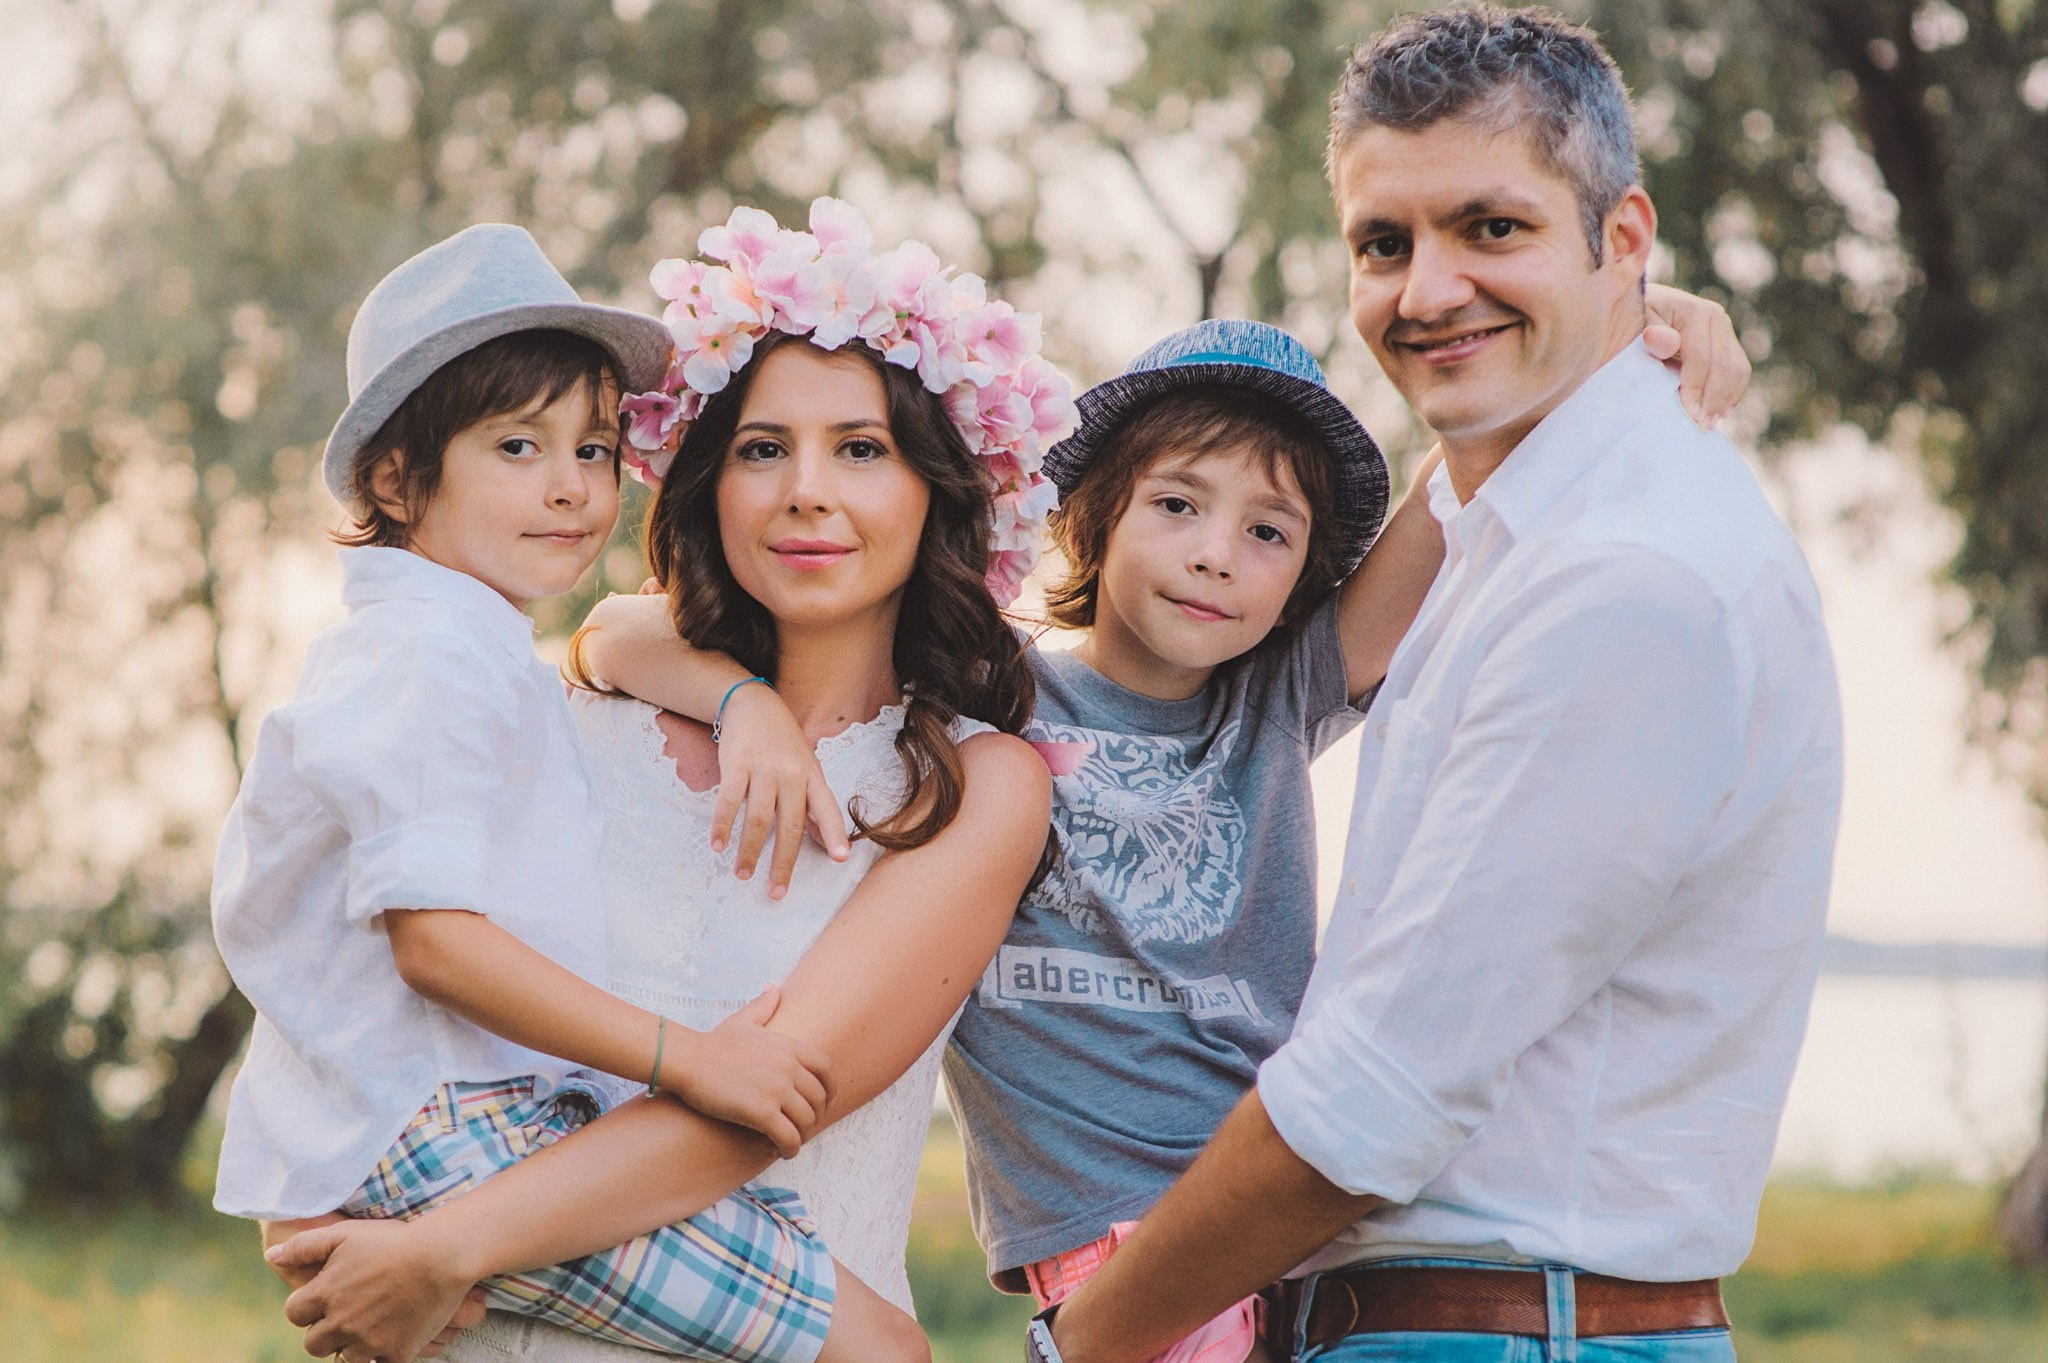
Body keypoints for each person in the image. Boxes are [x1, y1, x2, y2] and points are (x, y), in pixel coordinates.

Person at [584, 312, 1747, 1363]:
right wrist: (739, 701)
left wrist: (1604, 342)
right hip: (1114, 1260)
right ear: (1094, 517)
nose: (1213, 555)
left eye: (1267, 532)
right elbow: (608, 631)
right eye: (1177, 505)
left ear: (1302, 576)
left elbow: (1465, 485)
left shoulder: (1280, 694)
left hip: (1282, 1221)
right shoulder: (989, 699)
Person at [1036, 9, 1843, 1363]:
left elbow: (1371, 1102)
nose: (1425, 291)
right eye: (1384, 243)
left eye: (1493, 228)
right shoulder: (1508, 543)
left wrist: (1085, 1342)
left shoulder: (1626, 577)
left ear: (1623, 236)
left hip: (1513, 1329)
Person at [262, 199, 1060, 1363]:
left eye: (861, 448)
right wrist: (732, 693)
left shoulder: (971, 793)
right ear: (707, 480)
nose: (805, 491)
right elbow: (380, 984)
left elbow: (759, 1107)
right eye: (760, 449)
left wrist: (440, 1249)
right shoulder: (559, 712)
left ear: (934, 487)